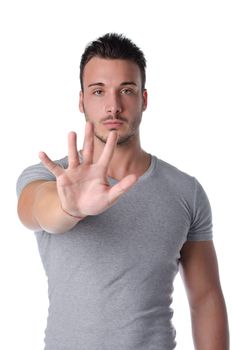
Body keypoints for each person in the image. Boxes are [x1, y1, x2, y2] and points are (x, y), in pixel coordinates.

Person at [16, 33, 229, 350]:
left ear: (143, 99)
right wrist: (70, 208)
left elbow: (205, 297)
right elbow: (36, 212)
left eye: (126, 91)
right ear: (82, 101)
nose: (113, 106)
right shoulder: (52, 178)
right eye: (98, 91)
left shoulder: (186, 191)